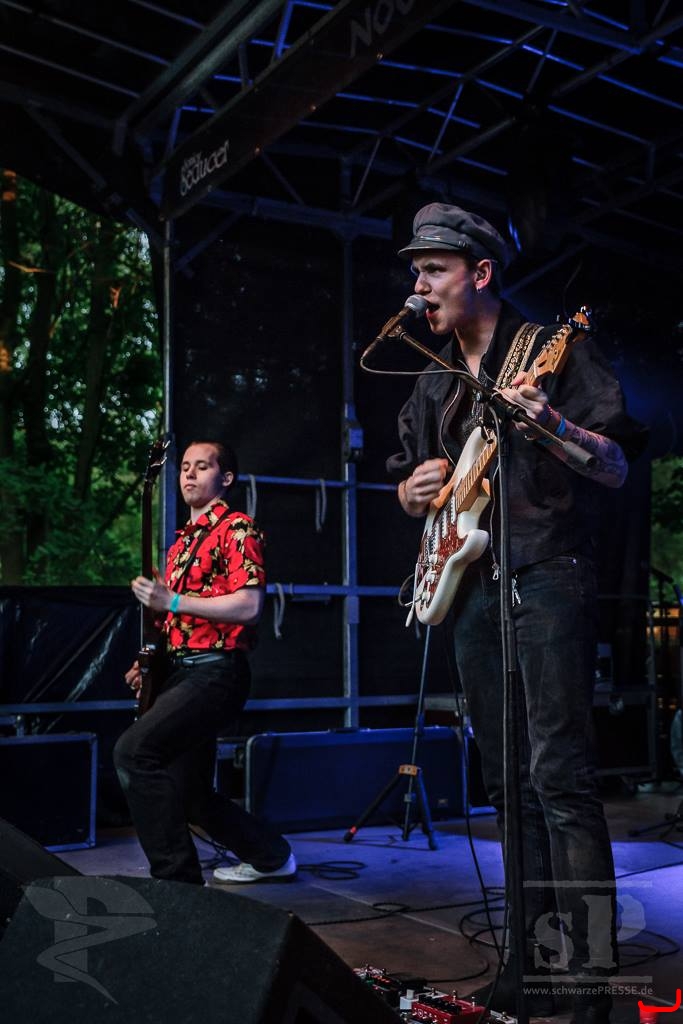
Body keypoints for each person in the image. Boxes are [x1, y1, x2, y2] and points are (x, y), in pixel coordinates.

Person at [386, 204, 648, 1023]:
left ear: (480, 273)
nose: (419, 284)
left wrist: (550, 422)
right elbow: (413, 489)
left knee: (560, 777)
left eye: (433, 269)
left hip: (547, 572)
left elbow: (614, 465)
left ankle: (593, 983)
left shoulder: (549, 349)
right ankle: (527, 967)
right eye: (415, 270)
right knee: (506, 783)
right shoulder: (431, 378)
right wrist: (411, 493)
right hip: (470, 584)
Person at [114, 440, 296, 886]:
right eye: (184, 467)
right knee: (190, 793)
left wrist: (172, 600)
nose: (189, 474)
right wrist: (152, 664)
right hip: (182, 670)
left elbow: (249, 605)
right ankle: (271, 856)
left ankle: (179, 884)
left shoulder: (238, 529)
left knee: (134, 752)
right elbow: (177, 620)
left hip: (217, 671)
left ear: (226, 478)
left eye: (202, 467)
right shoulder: (180, 545)